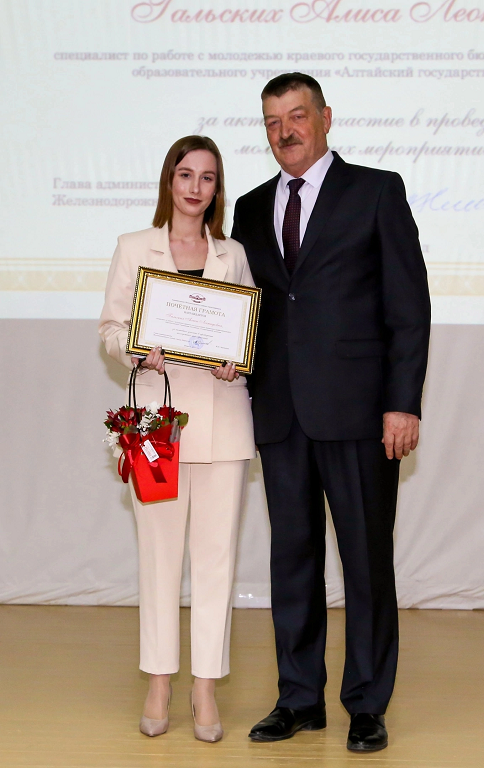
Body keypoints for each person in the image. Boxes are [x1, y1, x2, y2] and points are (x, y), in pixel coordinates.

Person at [231, 73, 431, 753]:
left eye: (296, 115)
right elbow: (250, 309)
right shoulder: (250, 208)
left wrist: (402, 403)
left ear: (324, 118)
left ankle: (367, 704)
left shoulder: (376, 191)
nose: (285, 131)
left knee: (366, 563)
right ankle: (298, 698)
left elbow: (409, 307)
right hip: (280, 412)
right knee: (292, 560)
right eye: (272, 121)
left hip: (360, 414)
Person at [99, 136, 256, 743]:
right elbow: (111, 330)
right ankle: (160, 680)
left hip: (224, 423)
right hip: (156, 427)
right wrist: (137, 348)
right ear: (170, 180)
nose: (195, 187)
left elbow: (248, 335)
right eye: (186, 175)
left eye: (207, 178)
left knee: (216, 562)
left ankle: (205, 686)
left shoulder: (233, 254)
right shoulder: (132, 247)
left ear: (218, 189)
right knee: (159, 558)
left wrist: (237, 362)